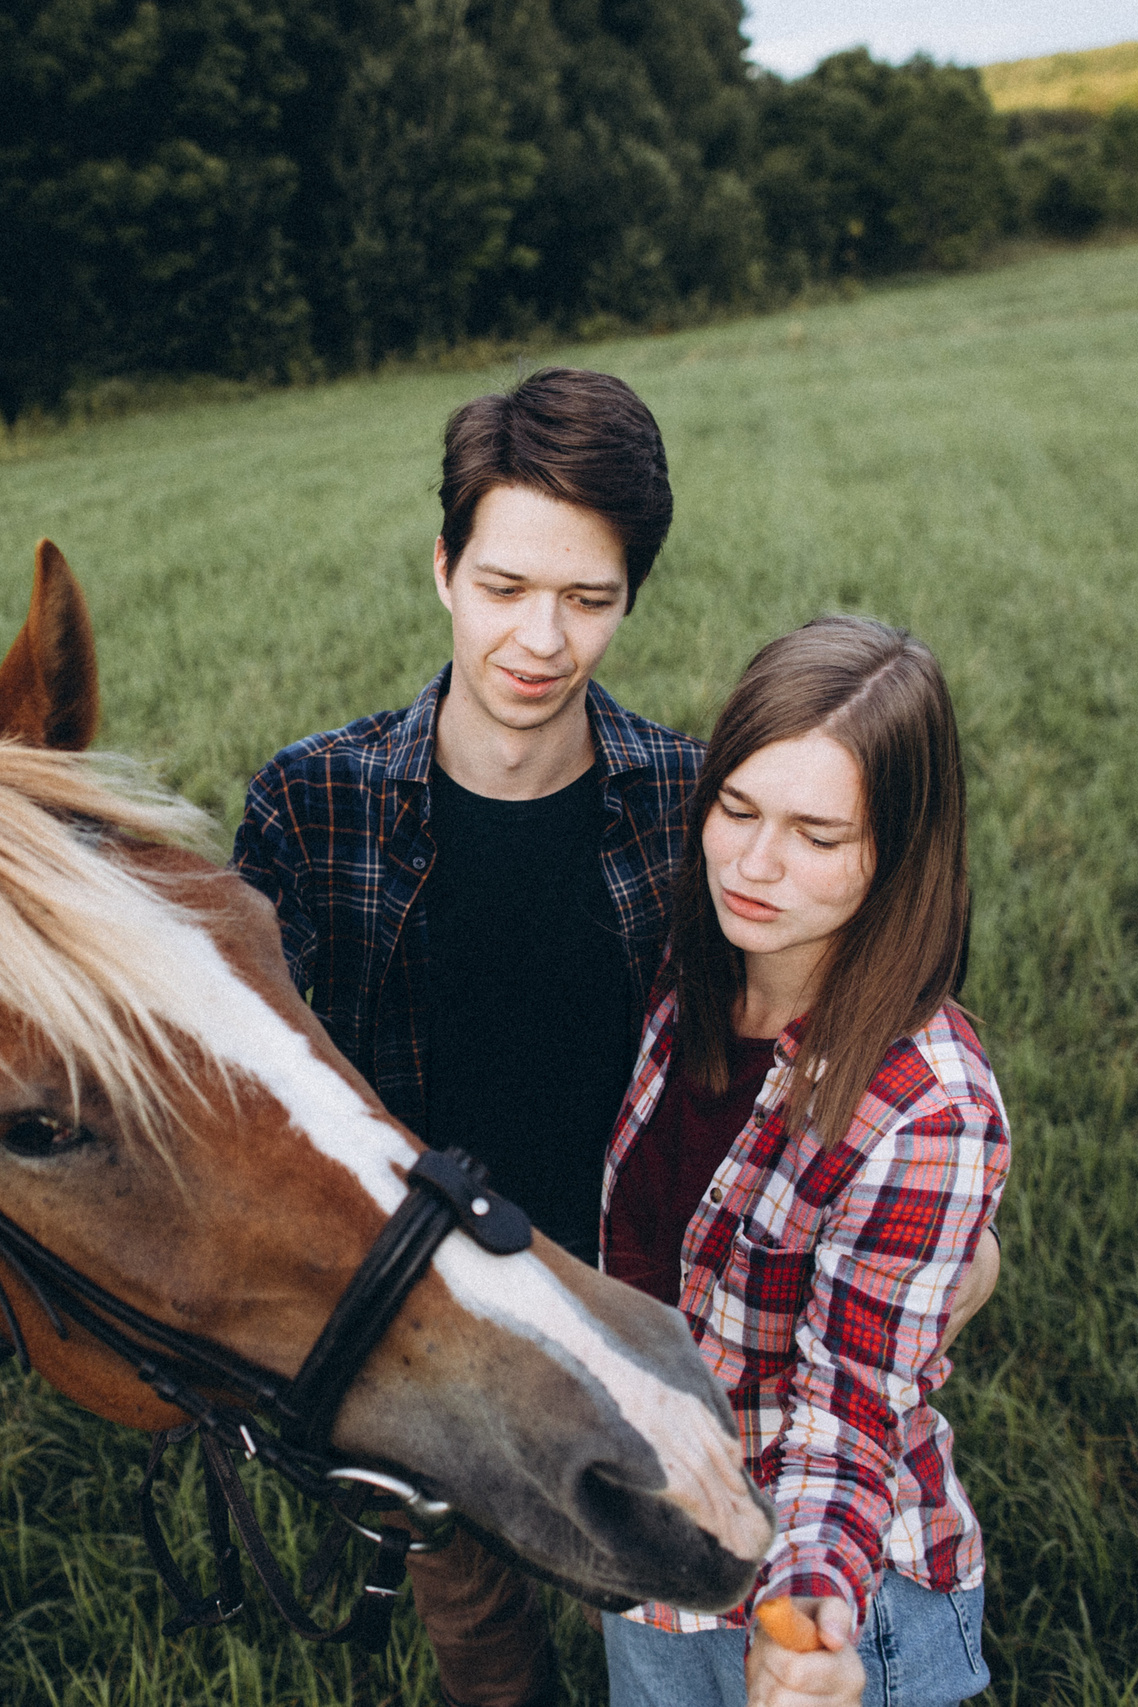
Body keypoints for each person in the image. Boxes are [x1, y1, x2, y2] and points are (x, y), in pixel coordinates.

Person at [230, 366, 701, 1707]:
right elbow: (254, 1102)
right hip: (428, 1333)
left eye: (587, 598)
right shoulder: (312, 804)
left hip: (634, 1311)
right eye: (505, 587)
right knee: (489, 1656)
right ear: (443, 569)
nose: (540, 639)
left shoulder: (690, 806)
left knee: (670, 1634)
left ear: (629, 597)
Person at [598, 616, 1009, 1707]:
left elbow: (850, 1417)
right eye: (736, 809)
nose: (754, 863)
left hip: (818, 1600)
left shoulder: (925, 1110)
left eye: (817, 837)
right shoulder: (685, 976)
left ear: (899, 854)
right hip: (646, 1567)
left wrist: (810, 1616)